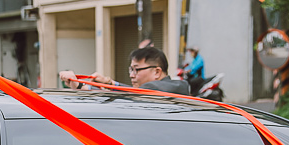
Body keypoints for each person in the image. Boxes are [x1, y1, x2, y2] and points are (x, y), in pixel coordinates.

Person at [60, 47, 191, 95]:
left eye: (137, 70)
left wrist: (80, 86)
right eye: (131, 69)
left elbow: (132, 96)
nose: (131, 75)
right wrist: (109, 83)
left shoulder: (156, 90)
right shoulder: (173, 88)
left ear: (157, 72)